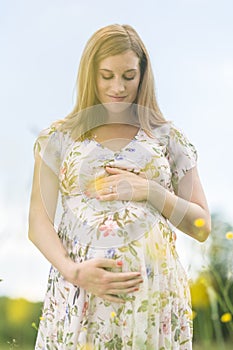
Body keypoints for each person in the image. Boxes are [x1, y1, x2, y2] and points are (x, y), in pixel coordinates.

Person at [28, 24, 211, 350]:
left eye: (129, 76)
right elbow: (38, 224)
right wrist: (74, 272)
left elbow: (201, 226)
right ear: (90, 75)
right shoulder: (58, 138)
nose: (118, 87)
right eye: (106, 75)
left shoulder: (167, 138)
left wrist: (151, 192)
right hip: (81, 290)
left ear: (143, 75)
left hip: (154, 298)